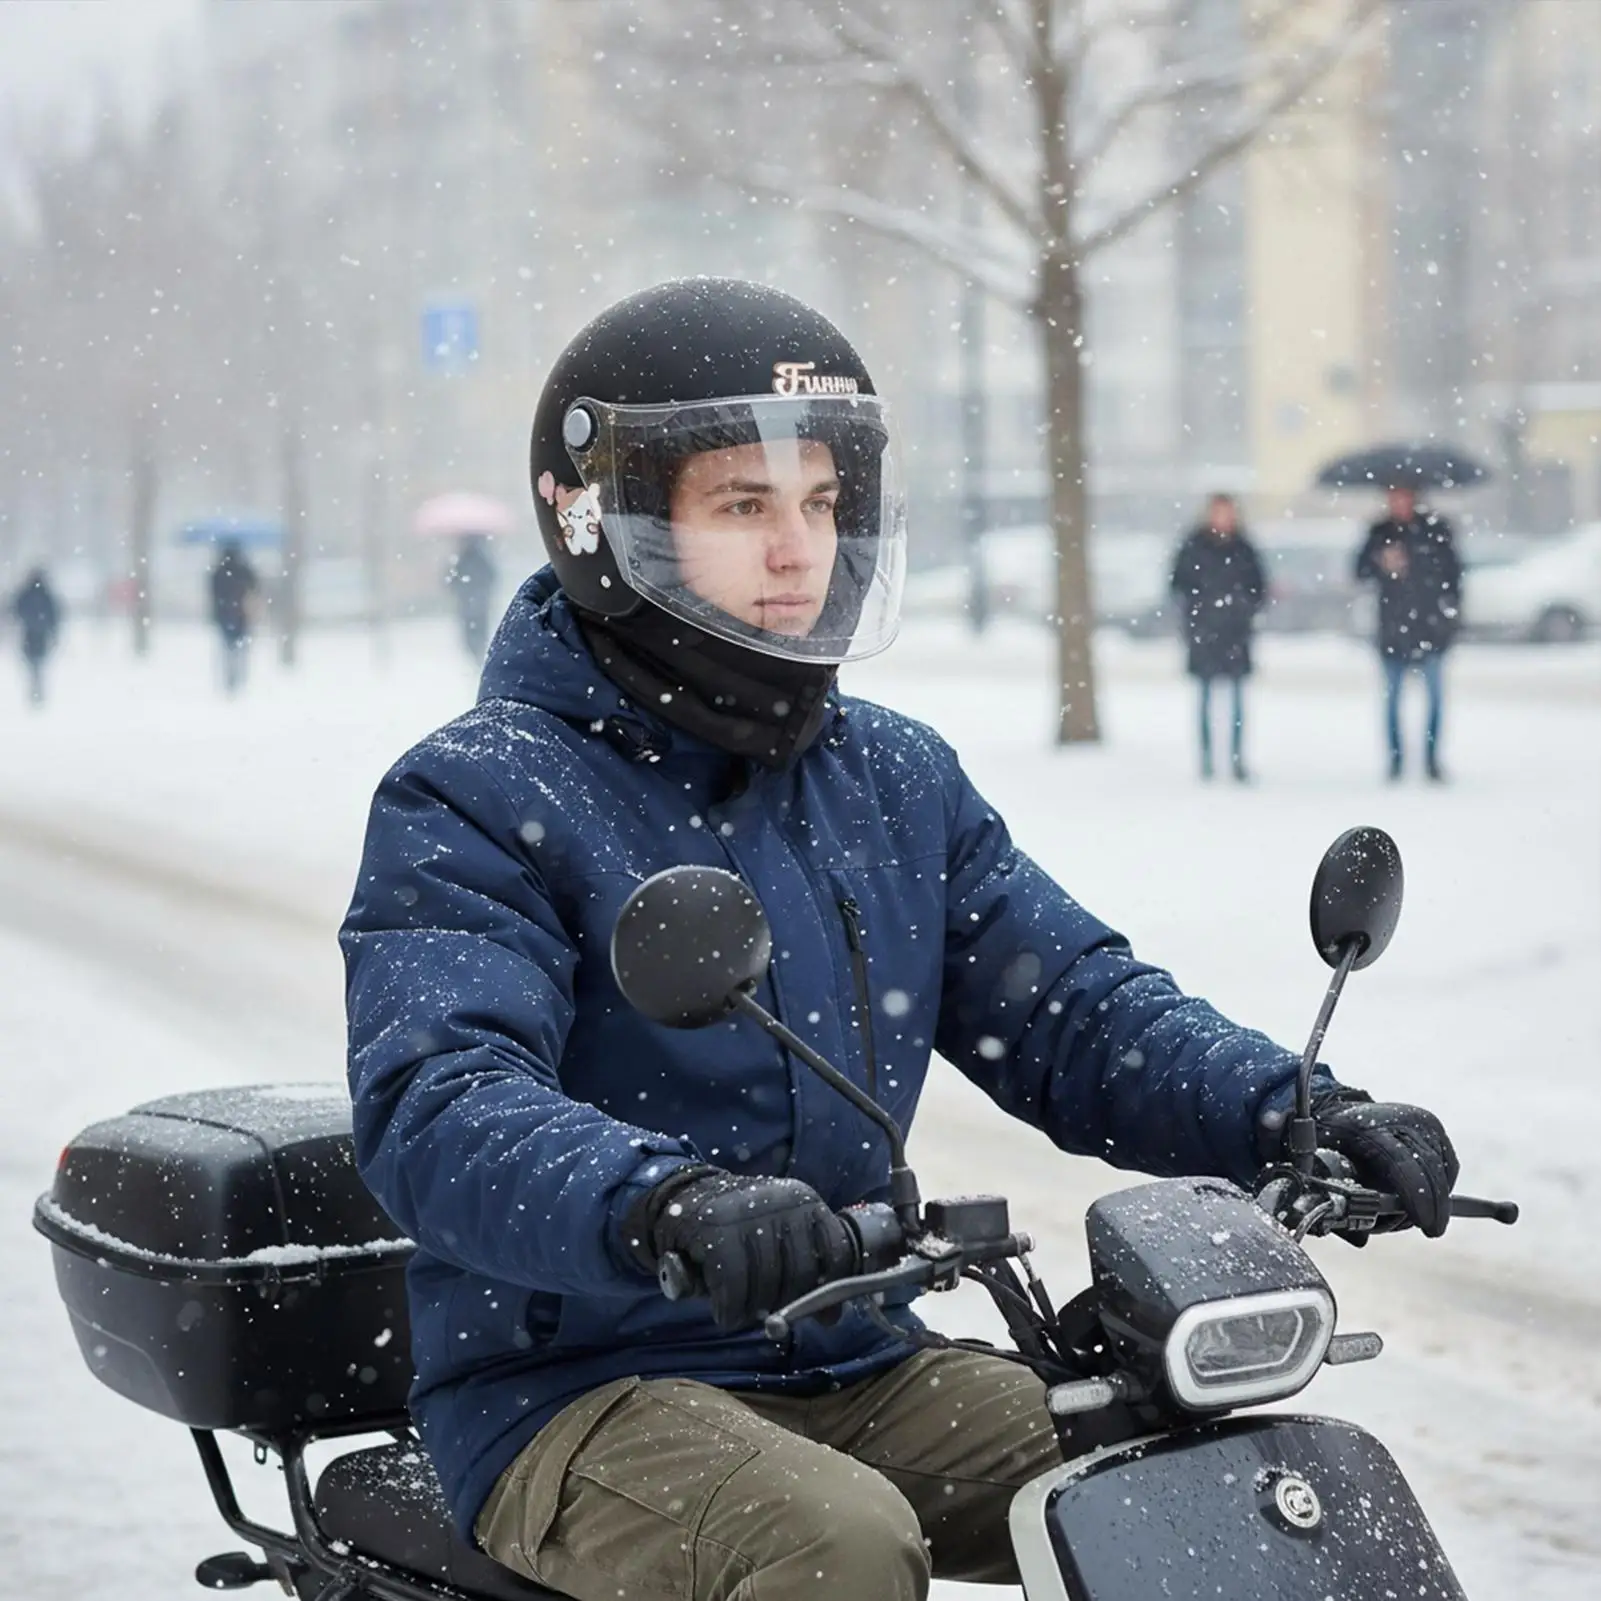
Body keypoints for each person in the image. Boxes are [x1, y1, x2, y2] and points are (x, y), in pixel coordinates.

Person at [341, 280, 1461, 1601]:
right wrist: (664, 1203)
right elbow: (439, 1101)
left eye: (820, 503)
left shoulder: (888, 777)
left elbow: (1076, 1011)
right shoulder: (480, 792)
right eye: (742, 506)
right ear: (600, 522)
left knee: (1205, 1485)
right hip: (575, 1388)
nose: (796, 549)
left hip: (850, 1355)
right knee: (835, 1544)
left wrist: (1295, 1109)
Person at [1354, 485, 1462, 781]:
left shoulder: (1436, 530)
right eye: (1393, 497)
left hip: (1431, 628)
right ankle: (1395, 760)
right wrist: (1381, 561)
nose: (1399, 503)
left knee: (1435, 701)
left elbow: (1453, 577)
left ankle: (1431, 760)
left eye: (1404, 497)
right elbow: (1359, 571)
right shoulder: (1379, 533)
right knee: (1392, 702)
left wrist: (1448, 618)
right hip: (1393, 631)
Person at [1169, 493, 1266, 781]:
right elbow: (1178, 585)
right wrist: (1199, 614)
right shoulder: (1193, 547)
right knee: (1205, 700)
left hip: (1236, 634)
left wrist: (1241, 608)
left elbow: (1258, 587)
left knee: (1236, 703)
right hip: (1205, 634)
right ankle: (1207, 760)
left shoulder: (1244, 548)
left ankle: (1236, 759)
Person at [208, 539, 260, 695]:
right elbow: (255, 587)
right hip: (242, 615)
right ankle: (238, 676)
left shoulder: (219, 572)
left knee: (227, 647)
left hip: (224, 616)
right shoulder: (245, 571)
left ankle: (229, 677)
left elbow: (213, 594)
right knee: (240, 648)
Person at [9, 566, 61, 705]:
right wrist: (53, 631)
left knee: (32, 663)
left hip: (29, 632)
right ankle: (37, 688)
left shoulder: (27, 593)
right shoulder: (45, 594)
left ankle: (35, 687)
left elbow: (16, 609)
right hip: (40, 633)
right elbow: (54, 614)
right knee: (38, 663)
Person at [444, 531, 498, 660]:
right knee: (479, 628)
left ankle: (474, 652)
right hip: (480, 602)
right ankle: (478, 653)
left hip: (467, 602)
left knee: (470, 630)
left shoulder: (461, 559)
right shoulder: (483, 558)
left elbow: (452, 580)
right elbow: (492, 576)